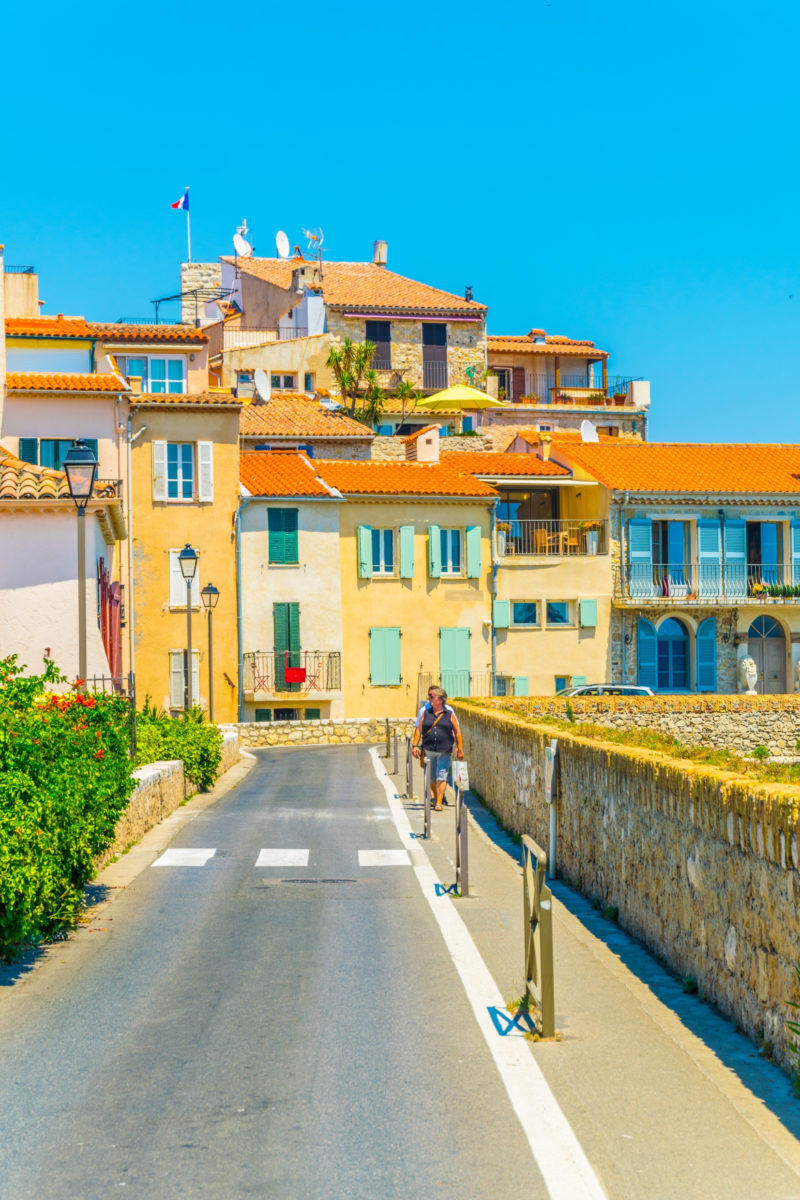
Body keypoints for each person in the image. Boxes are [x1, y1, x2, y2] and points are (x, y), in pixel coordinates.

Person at [412, 686, 464, 811]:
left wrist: (459, 748)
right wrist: (414, 746)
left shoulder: (449, 714)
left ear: (440, 700)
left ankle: (439, 802)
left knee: (441, 775)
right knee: (431, 777)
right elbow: (419, 730)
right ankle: (435, 797)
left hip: (444, 751)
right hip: (429, 750)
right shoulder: (425, 713)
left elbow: (457, 732)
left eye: (432, 697)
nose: (429, 699)